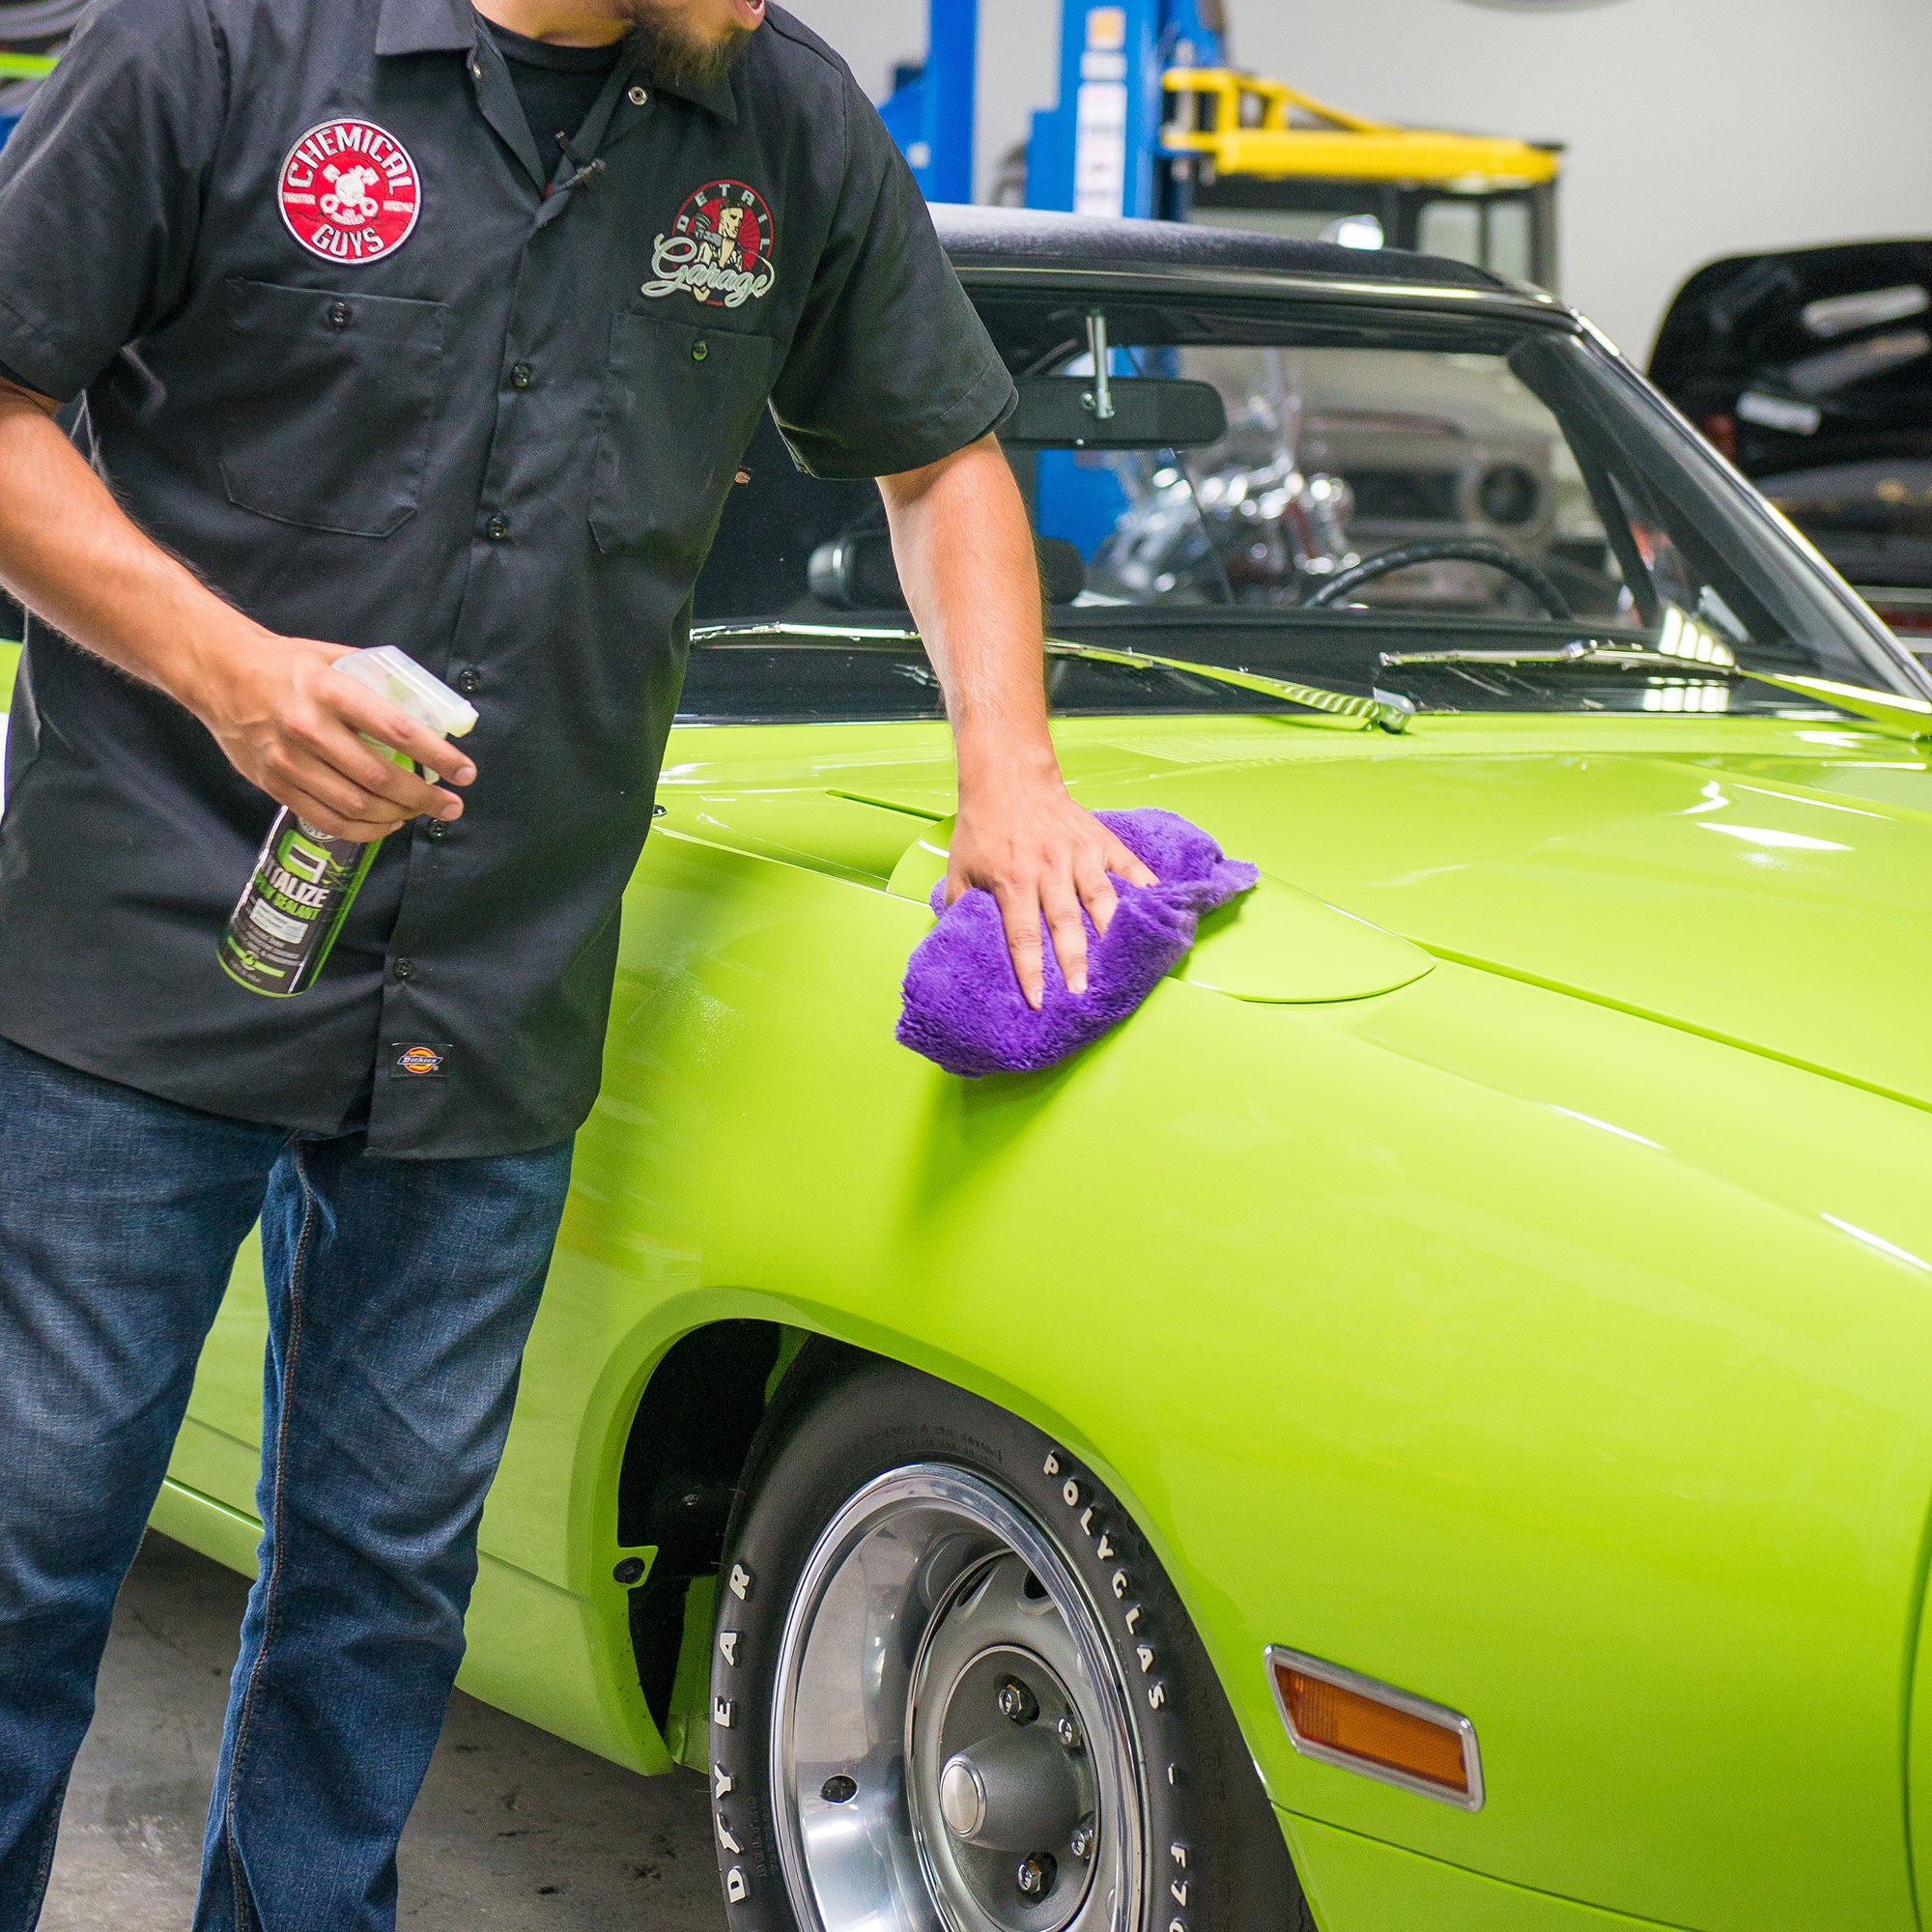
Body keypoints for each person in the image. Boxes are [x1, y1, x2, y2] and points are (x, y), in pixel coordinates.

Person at [0, 0, 1154, 1923]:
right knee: (27, 1553)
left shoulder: (777, 113)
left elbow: (944, 456)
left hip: (493, 982)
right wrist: (233, 674)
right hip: (140, 943)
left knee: (384, 1584)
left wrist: (1011, 775)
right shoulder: (214, 43)